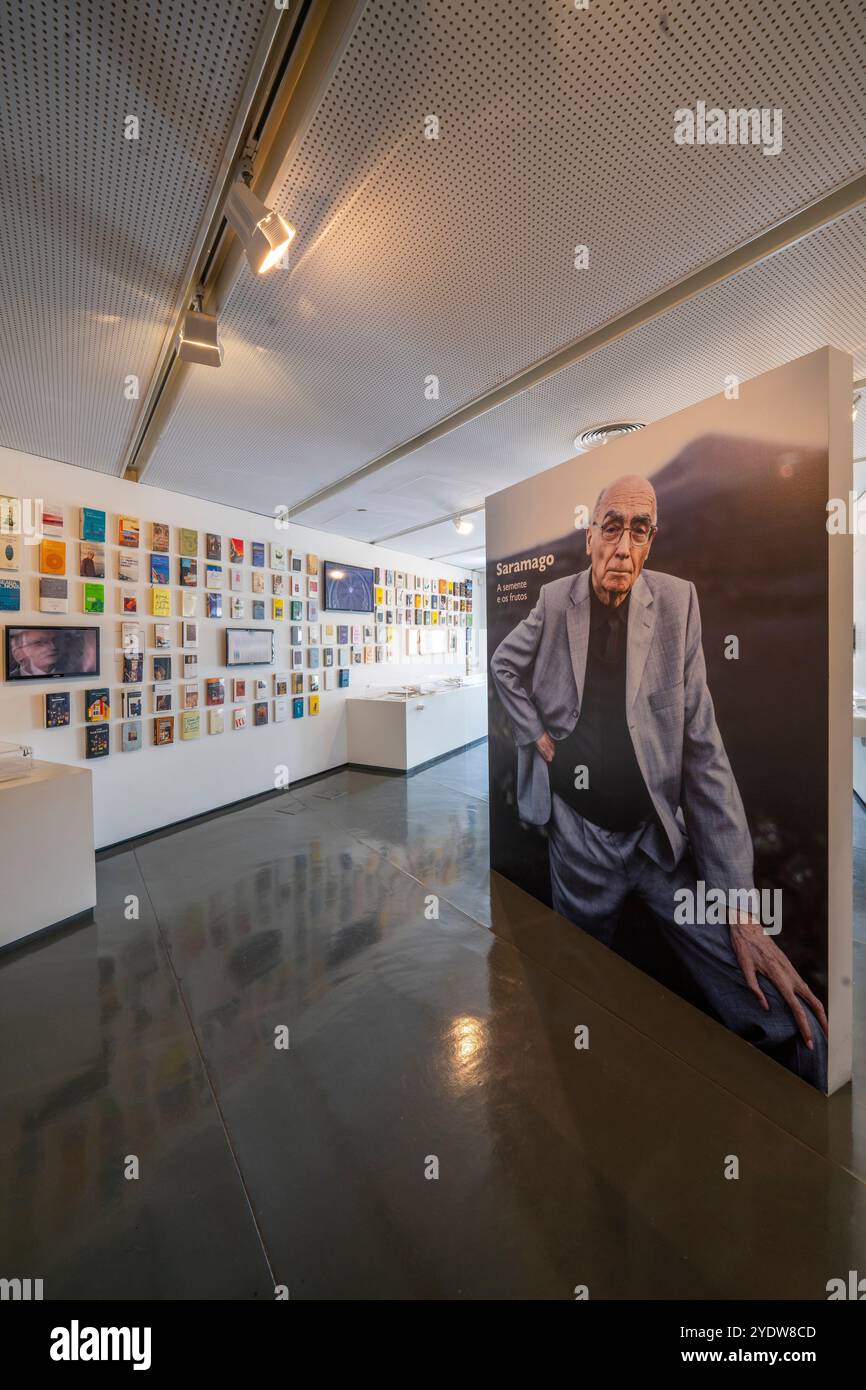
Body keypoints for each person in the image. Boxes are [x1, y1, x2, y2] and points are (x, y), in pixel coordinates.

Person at [490, 473, 828, 1088]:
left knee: (766, 993)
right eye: (611, 527)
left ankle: (808, 1066)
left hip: (655, 841)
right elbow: (503, 666)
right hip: (578, 837)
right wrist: (536, 736)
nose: (622, 546)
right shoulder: (552, 599)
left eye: (638, 530)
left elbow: (704, 753)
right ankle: (583, 1080)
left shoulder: (678, 603)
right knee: (576, 979)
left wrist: (742, 909)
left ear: (651, 544)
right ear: (590, 535)